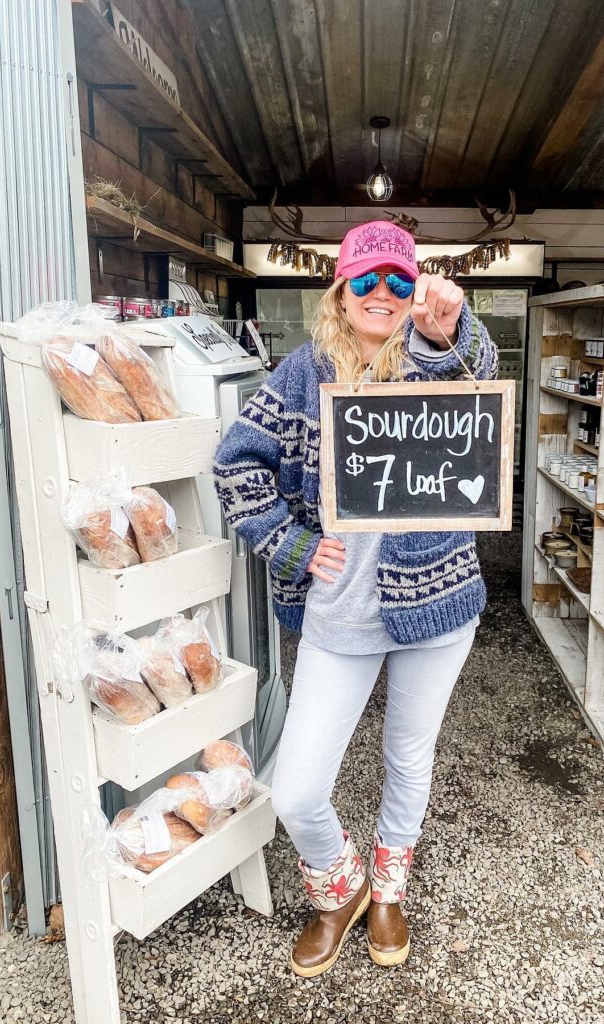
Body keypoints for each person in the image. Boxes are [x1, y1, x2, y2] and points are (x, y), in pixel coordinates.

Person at [213, 220, 497, 977]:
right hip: (339, 611)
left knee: (409, 756)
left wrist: (451, 327)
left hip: (436, 602)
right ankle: (338, 887)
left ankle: (388, 890)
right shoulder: (302, 374)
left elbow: (483, 380)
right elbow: (235, 465)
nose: (382, 293)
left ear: (413, 291)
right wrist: (293, 544)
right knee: (298, 788)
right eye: (365, 279)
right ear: (339, 290)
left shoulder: (432, 361)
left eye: (398, 281)